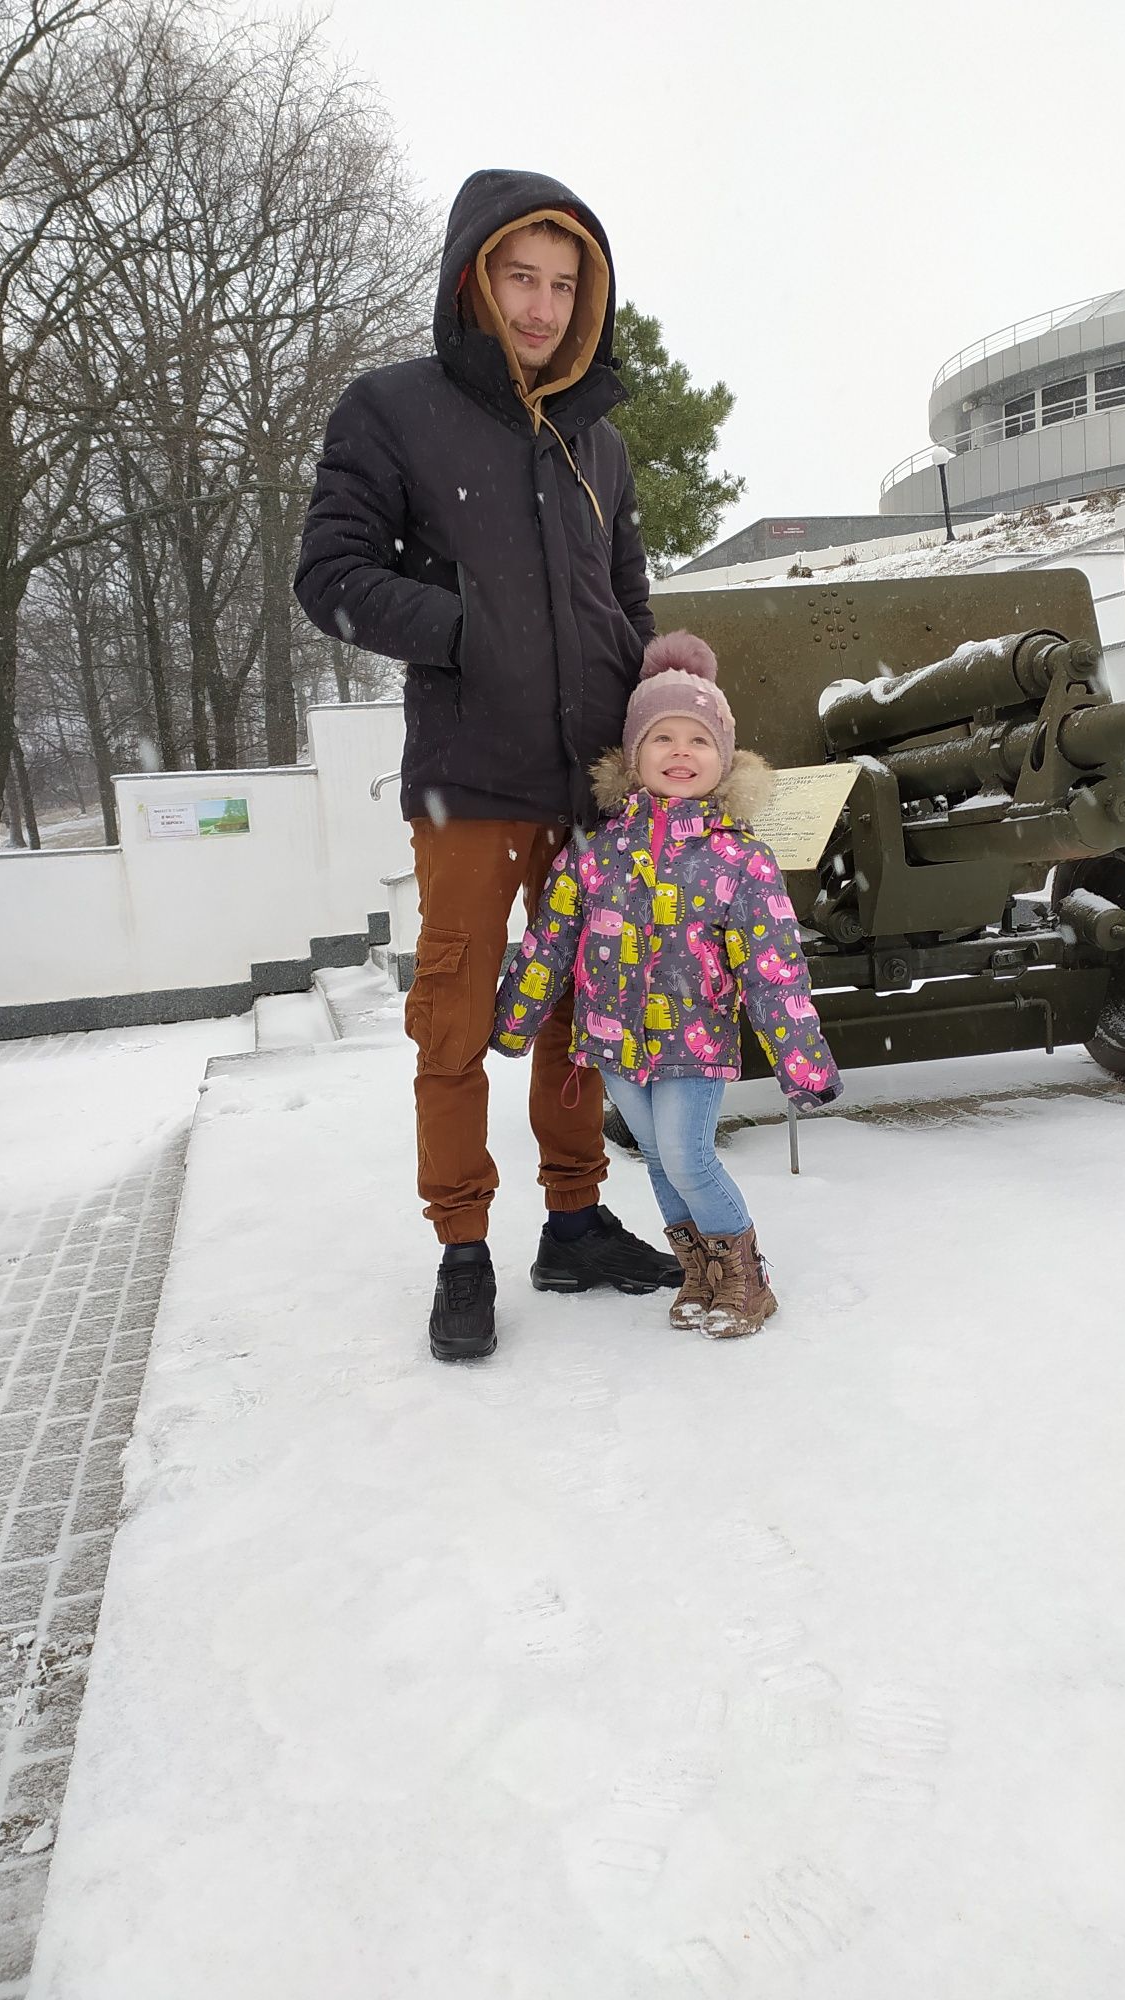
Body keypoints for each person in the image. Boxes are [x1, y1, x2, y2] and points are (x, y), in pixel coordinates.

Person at [294, 168, 680, 1366]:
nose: (543, 306)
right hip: (468, 781)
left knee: (575, 1013)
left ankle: (572, 1220)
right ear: (475, 276)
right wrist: (465, 631)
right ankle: (463, 1246)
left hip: (587, 786)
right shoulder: (391, 410)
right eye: (522, 277)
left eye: (566, 285)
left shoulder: (596, 439)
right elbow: (331, 576)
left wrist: (658, 710)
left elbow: (627, 597)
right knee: (455, 1020)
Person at [490, 631, 843, 1338]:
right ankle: (698, 1273)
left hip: (694, 1039)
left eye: (699, 740)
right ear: (633, 757)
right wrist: (514, 1019)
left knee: (688, 1155)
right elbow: (550, 942)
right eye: (662, 738)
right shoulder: (596, 851)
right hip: (616, 1040)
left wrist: (801, 1061)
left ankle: (745, 1275)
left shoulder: (740, 858)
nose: (681, 753)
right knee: (656, 1158)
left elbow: (775, 971)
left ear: (724, 758)